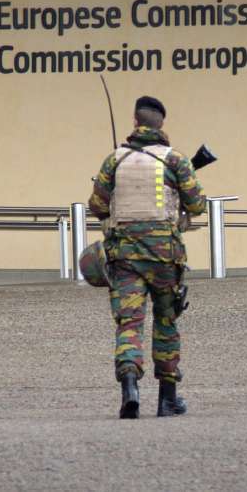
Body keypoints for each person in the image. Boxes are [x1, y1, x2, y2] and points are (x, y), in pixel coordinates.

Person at [88, 96, 206, 419]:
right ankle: (167, 399)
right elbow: (198, 205)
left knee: (129, 323)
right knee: (166, 322)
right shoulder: (176, 161)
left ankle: (130, 388)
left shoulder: (115, 160)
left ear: (134, 121)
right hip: (165, 257)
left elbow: (96, 206)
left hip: (124, 257)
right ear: (161, 125)